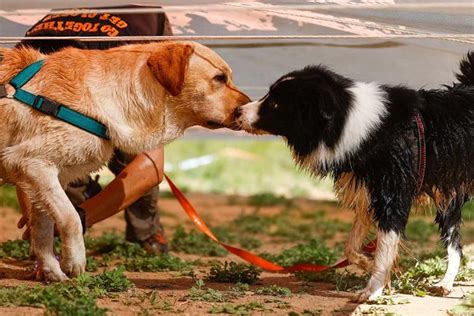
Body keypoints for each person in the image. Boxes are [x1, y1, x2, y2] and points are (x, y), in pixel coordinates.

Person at [17, 5, 171, 254]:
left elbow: (150, 167)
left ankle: (147, 230)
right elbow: (26, 158)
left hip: (130, 45)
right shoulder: (24, 80)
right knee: (57, 156)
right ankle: (81, 191)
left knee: (132, 145)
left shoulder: (121, 77)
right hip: (66, 72)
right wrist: (38, 222)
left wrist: (81, 218)